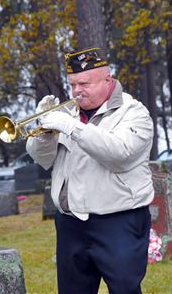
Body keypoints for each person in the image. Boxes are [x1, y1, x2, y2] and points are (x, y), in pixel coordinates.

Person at [26, 47, 154, 294]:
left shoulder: (133, 112)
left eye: (84, 83)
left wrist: (71, 127)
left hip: (118, 220)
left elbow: (120, 154)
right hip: (70, 223)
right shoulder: (69, 113)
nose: (77, 91)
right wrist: (44, 134)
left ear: (108, 80)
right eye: (72, 84)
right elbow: (43, 159)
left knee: (125, 290)